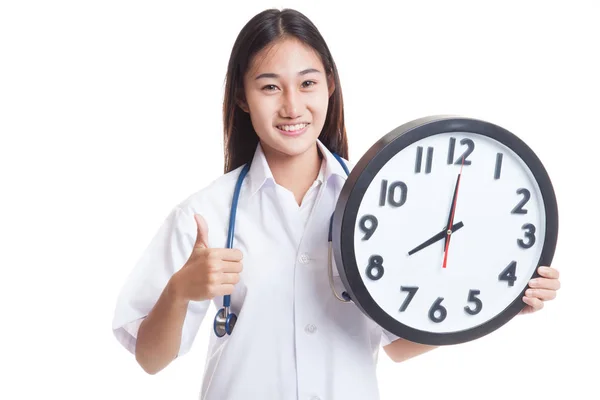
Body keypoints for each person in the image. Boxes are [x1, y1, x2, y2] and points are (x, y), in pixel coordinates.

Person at [111, 8, 561, 400]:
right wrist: (180, 290)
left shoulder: (382, 201)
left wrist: (500, 302)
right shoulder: (205, 213)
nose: (292, 106)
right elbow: (151, 360)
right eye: (270, 87)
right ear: (241, 98)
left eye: (307, 83)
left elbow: (399, 347)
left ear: (329, 85)